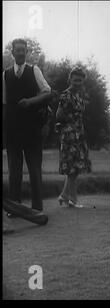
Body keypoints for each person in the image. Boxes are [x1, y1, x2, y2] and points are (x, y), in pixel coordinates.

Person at [2, 38, 52, 216]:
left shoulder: (34, 70)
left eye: (24, 50)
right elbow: (4, 103)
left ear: (27, 52)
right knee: (14, 171)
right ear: (13, 52)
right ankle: (15, 208)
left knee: (34, 169)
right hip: (13, 130)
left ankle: (37, 209)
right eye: (18, 50)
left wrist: (30, 102)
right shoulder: (5, 74)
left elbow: (47, 92)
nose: (21, 53)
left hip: (32, 128)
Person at [56, 67, 92, 208]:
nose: (78, 83)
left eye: (80, 81)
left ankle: (65, 196)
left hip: (79, 134)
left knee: (76, 168)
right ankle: (72, 199)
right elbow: (59, 115)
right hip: (70, 135)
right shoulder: (66, 96)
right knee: (72, 168)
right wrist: (66, 124)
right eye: (75, 80)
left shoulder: (78, 96)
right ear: (70, 79)